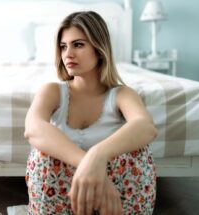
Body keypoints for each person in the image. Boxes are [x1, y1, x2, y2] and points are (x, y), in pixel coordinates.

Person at [24, 11, 157, 215]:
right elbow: (33, 129)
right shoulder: (52, 91)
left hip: (117, 201)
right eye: (63, 46)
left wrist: (98, 154)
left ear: (99, 48)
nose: (68, 54)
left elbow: (146, 127)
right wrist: (88, 165)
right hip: (60, 199)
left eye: (78, 44)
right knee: (43, 153)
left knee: (138, 151)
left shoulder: (122, 94)